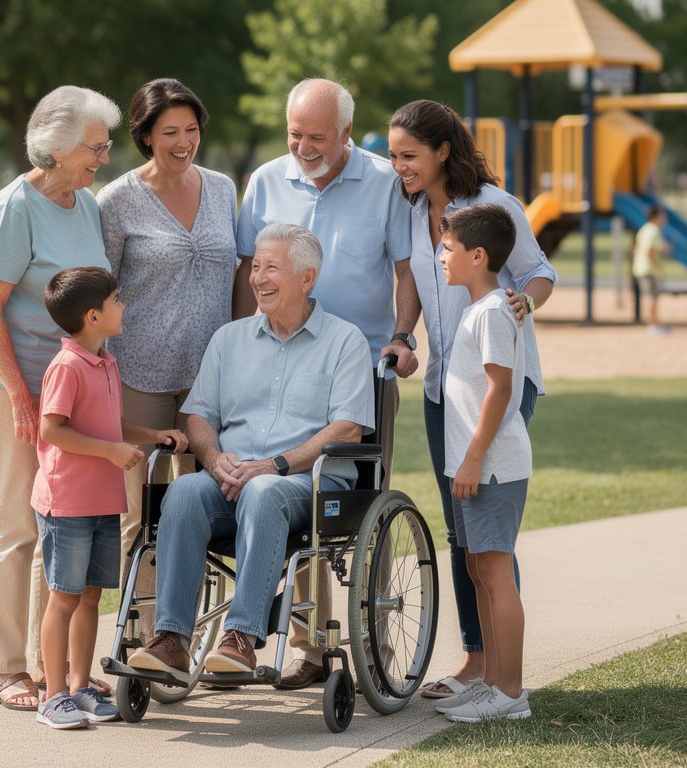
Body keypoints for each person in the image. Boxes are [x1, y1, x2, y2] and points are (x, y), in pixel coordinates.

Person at [126, 223, 373, 682]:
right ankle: (172, 639)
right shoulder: (229, 339)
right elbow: (198, 414)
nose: (258, 278)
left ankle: (240, 637)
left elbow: (348, 427)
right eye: (255, 266)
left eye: (271, 268)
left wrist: (274, 465)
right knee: (183, 492)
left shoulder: (345, 341)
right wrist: (213, 457)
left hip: (307, 485)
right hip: (231, 479)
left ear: (307, 277)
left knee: (263, 491)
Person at [234, 78, 417, 689]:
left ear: (346, 132)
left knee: (360, 506)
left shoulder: (383, 183)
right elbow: (247, 271)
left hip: (358, 369)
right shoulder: (266, 180)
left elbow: (406, 269)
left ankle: (376, 645)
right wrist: (240, 343)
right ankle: (309, 647)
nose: (304, 147)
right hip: (280, 364)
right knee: (297, 497)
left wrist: (403, 335)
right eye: (295, 135)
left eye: (317, 137)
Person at [386, 99, 556, 699]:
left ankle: (501, 678)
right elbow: (412, 279)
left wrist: (525, 301)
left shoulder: (493, 206)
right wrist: (404, 336)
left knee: (486, 532)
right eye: (393, 156)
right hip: (444, 384)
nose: (399, 167)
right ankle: (477, 661)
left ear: (442, 151)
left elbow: (539, 272)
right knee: (462, 528)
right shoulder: (410, 210)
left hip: (499, 384)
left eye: (409, 155)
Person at [0, 85, 121, 714]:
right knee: (16, 522)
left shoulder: (83, 204)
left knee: (57, 519)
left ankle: (47, 666)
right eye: (94, 148)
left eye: (106, 146)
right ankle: (8, 668)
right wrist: (18, 395)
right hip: (13, 380)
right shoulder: (14, 207)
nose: (104, 159)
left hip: (66, 383)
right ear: (55, 149)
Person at [96, 79, 240, 642]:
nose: (184, 142)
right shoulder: (117, 201)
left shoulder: (223, 189)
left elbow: (236, 274)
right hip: (140, 376)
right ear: (146, 137)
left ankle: (194, 636)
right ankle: (144, 638)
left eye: (192, 129)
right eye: (170, 132)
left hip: (211, 378)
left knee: (205, 509)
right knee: (142, 514)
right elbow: (102, 290)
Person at [33, 266, 187, 729]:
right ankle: (53, 695)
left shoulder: (106, 362)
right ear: (93, 316)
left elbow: (109, 424)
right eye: (117, 300)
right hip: (67, 504)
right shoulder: (67, 366)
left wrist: (151, 435)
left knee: (90, 597)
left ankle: (80, 688)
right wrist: (111, 452)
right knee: (64, 598)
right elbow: (51, 429)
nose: (124, 306)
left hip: (103, 501)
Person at [433, 204, 532, 722]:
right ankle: (490, 681)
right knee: (477, 568)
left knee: (495, 574)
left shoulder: (494, 311)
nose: (440, 257)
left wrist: (472, 459)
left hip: (491, 466)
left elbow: (501, 388)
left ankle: (510, 693)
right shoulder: (478, 309)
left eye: (448, 249)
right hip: (472, 465)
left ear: (477, 256)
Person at [632, 206, 670, 334]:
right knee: (652, 297)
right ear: (656, 217)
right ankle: (652, 325)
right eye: (663, 215)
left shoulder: (644, 229)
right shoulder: (654, 230)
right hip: (648, 269)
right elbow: (649, 251)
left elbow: (636, 249)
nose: (665, 218)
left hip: (639, 267)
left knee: (651, 296)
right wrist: (657, 266)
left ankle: (655, 322)